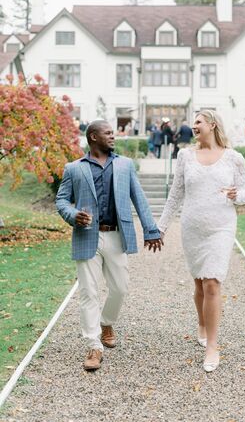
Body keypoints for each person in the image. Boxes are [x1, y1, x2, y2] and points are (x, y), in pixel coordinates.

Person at [56, 120, 162, 371]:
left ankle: (107, 322)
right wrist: (73, 215)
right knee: (88, 291)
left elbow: (139, 198)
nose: (113, 136)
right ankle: (94, 345)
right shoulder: (74, 168)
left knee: (120, 288)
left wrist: (151, 230)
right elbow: (61, 201)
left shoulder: (124, 165)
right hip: (86, 236)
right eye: (108, 133)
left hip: (116, 235)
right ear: (93, 137)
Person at [158, 110, 245, 373]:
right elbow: (176, 194)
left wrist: (237, 195)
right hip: (192, 228)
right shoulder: (185, 156)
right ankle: (202, 323)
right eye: (193, 122)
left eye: (198, 121)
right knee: (199, 283)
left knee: (212, 283)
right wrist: (161, 228)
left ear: (212, 124)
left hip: (221, 227)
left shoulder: (234, 158)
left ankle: (212, 345)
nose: (193, 126)